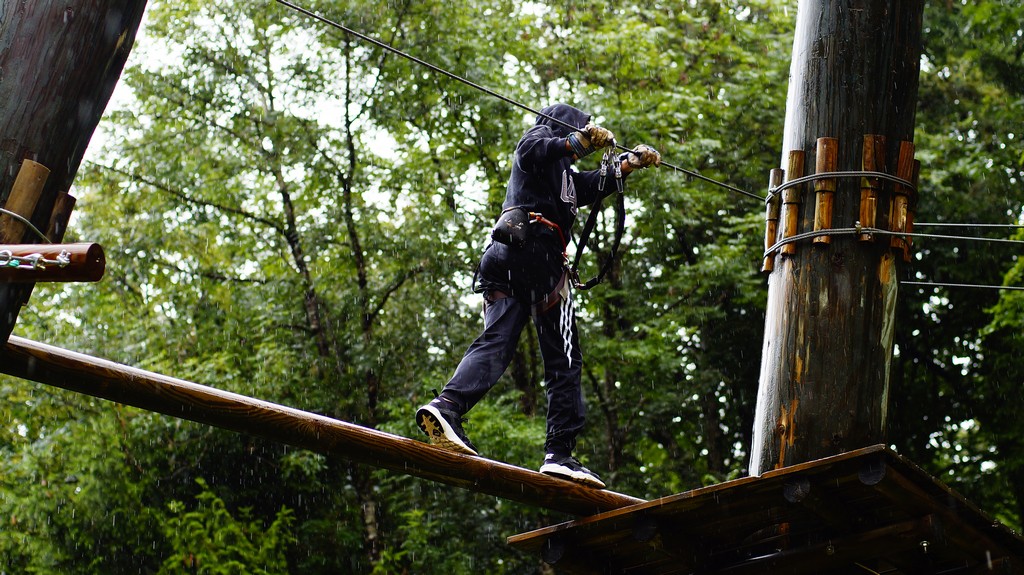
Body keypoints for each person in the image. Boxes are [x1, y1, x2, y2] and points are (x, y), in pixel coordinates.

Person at [416, 103, 660, 489]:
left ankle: (447, 406)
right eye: (580, 129)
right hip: (535, 256)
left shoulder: (561, 174)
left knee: (497, 342)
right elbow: (533, 149)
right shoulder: (538, 140)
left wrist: (628, 164)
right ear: (566, 126)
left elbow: (586, 187)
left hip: (508, 260)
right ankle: (559, 452)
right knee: (564, 362)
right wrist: (578, 141)